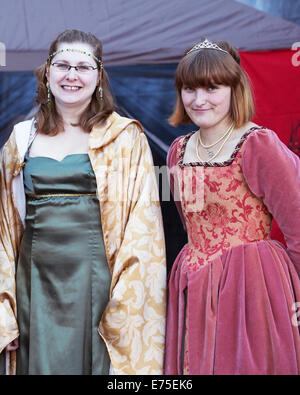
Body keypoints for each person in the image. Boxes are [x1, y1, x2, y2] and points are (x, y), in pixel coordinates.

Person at [0, 29, 166, 375]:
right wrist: (5, 310)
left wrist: (128, 301)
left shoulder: (124, 138)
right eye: (63, 65)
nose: (72, 75)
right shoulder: (21, 139)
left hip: (99, 288)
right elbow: (4, 230)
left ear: (98, 76)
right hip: (34, 286)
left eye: (83, 67)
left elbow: (142, 224)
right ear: (47, 72)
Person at [164, 38, 300, 375]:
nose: (199, 99)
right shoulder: (176, 151)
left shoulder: (257, 144)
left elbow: (298, 223)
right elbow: (188, 220)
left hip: (251, 282)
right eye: (190, 89)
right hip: (194, 278)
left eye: (212, 88)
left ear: (233, 88)